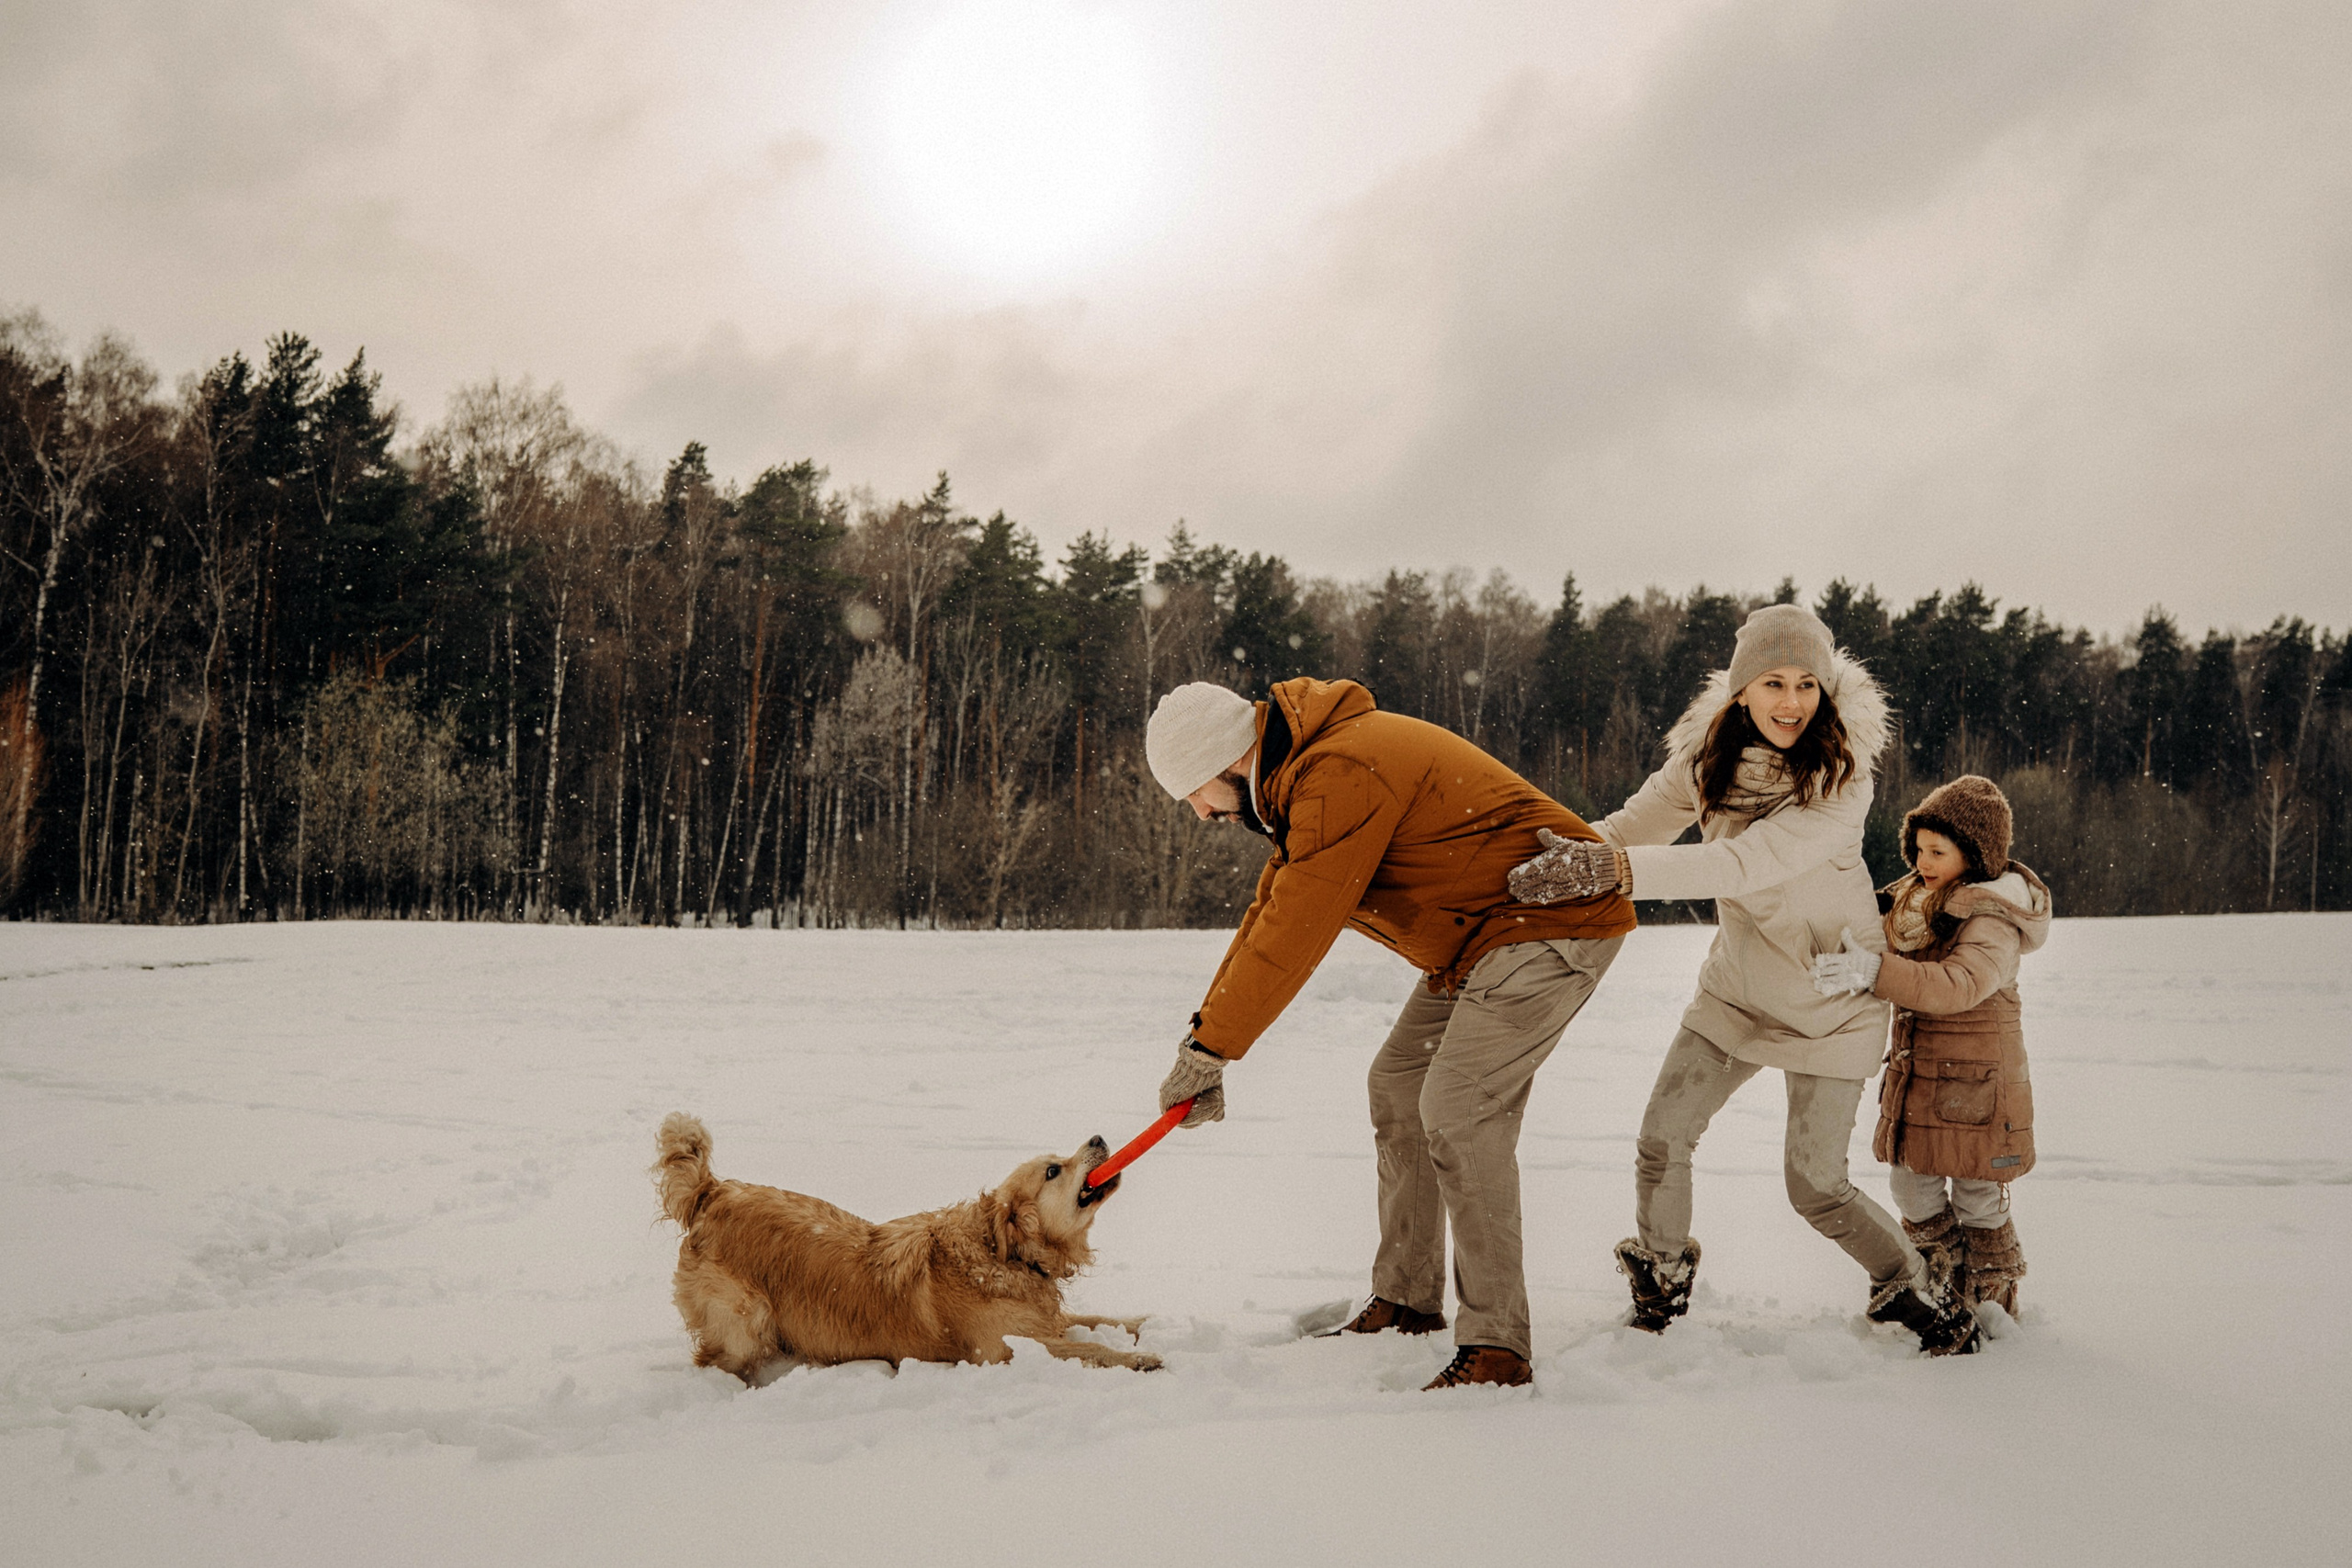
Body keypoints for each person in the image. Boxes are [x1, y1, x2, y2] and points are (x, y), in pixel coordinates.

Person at [1509, 603, 1979, 1355]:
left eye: (1806, 684)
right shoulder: (1705, 762)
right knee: (1662, 1137)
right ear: (1740, 690)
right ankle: (1661, 1279)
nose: (1791, 702)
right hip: (1738, 988)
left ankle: (1912, 1282)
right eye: (1773, 682)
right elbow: (1631, 825)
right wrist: (1553, 856)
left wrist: (1613, 871)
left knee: (1814, 1185)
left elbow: (1743, 861)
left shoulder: (1841, 779)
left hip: (1834, 996)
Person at [1143, 676, 1634, 1389]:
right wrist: (1202, 1041)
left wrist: (1215, 1048)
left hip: (1552, 923)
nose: (1196, 810)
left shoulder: (1338, 772)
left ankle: (1498, 1345)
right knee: (1400, 1086)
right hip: (1481, 938)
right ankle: (1407, 1296)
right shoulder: (1303, 776)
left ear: (1224, 761)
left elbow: (1296, 927)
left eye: (1191, 790)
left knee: (1460, 1111)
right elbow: (1268, 917)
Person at [1812, 773, 2047, 1315]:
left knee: (1977, 1195)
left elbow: (1958, 986)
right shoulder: (1914, 903)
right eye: (1918, 849)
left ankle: (1992, 1297)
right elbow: (1860, 918)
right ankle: (1939, 1279)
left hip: (1979, 1085)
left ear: (1976, 854)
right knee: (1911, 1188)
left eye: (1938, 851)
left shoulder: (1993, 915)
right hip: (1922, 1077)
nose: (1923, 861)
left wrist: (1874, 970)